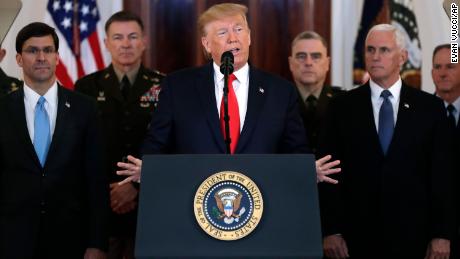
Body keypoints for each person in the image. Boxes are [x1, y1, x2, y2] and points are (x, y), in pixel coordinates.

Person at [116, 3, 340, 188]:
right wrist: (149, 169)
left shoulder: (279, 91)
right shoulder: (178, 86)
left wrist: (305, 169)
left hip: (262, 206)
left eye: (239, 29)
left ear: (250, 37)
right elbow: (157, 144)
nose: (234, 38)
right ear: (206, 43)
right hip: (194, 204)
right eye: (223, 32)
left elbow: (295, 151)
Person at [319, 24, 455, 259]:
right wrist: (331, 229)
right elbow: (329, 172)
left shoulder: (430, 108)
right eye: (370, 50)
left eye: (384, 50)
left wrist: (442, 233)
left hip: (414, 237)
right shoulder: (341, 107)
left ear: (402, 56)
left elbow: (442, 176)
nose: (375, 57)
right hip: (355, 239)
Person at [0, 22, 108, 258]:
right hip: (11, 240)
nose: (41, 57)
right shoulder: (3, 109)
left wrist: (97, 243)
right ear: (18, 59)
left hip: (71, 239)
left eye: (48, 50)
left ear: (57, 57)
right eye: (32, 50)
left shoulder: (85, 108)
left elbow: (96, 179)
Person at [75, 11, 164, 259]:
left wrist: (134, 186)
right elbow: (79, 148)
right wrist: (111, 192)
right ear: (106, 43)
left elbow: (168, 144)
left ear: (144, 41)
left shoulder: (165, 86)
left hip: (148, 204)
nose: (126, 44)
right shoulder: (86, 87)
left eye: (133, 36)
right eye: (118, 37)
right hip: (100, 204)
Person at [288, 31, 343, 154]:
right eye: (301, 56)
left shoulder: (343, 101)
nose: (308, 63)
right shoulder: (277, 102)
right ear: (291, 63)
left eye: (316, 56)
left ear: (327, 63)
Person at [431, 43, 460, 259]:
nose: (443, 73)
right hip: (428, 233)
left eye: (450, 66)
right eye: (438, 67)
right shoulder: (415, 114)